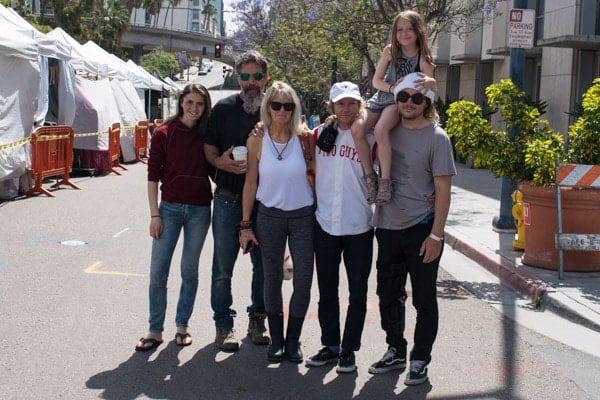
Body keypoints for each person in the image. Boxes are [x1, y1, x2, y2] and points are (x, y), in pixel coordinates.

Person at [368, 72, 456, 385]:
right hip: (387, 227)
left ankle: (420, 358)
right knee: (388, 294)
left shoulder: (437, 138)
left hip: (422, 228)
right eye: (403, 97)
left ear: (426, 103)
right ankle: (395, 349)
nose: (408, 103)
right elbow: (353, 126)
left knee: (424, 299)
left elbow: (443, 190)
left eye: (416, 98)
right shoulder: (386, 130)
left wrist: (436, 235)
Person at [239, 81, 314, 364]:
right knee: (271, 280)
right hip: (269, 216)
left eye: (288, 105)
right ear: (267, 107)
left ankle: (293, 340)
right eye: (276, 104)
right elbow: (250, 183)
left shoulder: (305, 138)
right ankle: (278, 340)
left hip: (303, 216)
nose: (282, 110)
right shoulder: (257, 139)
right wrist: (246, 224)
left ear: (295, 108)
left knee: (303, 281)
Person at [135, 83, 213, 351]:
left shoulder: (207, 134)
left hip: (200, 210)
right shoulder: (164, 133)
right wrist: (154, 214)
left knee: (189, 271)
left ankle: (182, 326)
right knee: (158, 271)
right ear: (181, 102)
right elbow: (152, 177)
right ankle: (155, 330)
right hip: (168, 209)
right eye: (190, 102)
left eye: (200, 104)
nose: (194, 108)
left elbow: (216, 167)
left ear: (205, 107)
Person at [303, 82, 375, 374]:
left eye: (351, 103)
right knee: (327, 292)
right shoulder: (318, 135)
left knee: (357, 293)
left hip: (359, 225)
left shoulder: (371, 137)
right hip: (325, 223)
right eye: (340, 103)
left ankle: (349, 350)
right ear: (331, 106)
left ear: (359, 105)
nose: (346, 109)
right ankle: (331, 346)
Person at [204, 50, 270, 351]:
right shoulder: (223, 109)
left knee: (263, 267)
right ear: (237, 78)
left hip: (264, 202)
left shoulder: (277, 107)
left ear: (266, 77)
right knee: (222, 268)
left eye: (257, 76)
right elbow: (208, 148)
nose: (251, 82)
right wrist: (221, 163)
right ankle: (224, 324)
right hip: (228, 198)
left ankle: (258, 319)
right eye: (245, 76)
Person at [353, 10, 436, 205]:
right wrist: (391, 88)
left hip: (400, 101)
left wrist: (430, 81)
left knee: (381, 129)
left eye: (409, 29)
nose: (404, 33)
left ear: (418, 31)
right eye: (400, 29)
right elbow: (376, 81)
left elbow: (431, 85)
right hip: (383, 94)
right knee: (357, 129)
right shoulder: (390, 51)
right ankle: (370, 176)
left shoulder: (423, 57)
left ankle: (385, 181)